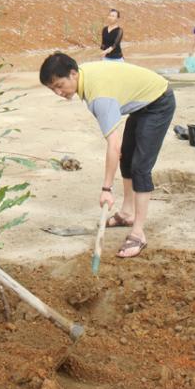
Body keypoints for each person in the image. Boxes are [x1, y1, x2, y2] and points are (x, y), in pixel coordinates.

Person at [39, 53, 175, 258]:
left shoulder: (99, 97)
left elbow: (114, 144)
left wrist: (106, 189)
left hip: (158, 102)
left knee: (140, 168)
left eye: (59, 85)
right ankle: (127, 213)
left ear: (73, 74)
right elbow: (119, 149)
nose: (58, 92)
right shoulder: (85, 77)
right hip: (142, 105)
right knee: (127, 158)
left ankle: (138, 233)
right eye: (53, 89)